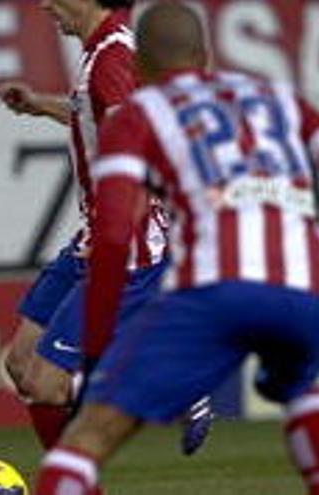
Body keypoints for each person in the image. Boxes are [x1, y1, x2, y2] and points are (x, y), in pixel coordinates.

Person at [35, 2, 319, 493]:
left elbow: (114, 234)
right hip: (303, 287)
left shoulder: (141, 114)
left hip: (213, 291)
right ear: (206, 54)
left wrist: (101, 351)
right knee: (303, 395)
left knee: (85, 442)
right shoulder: (281, 99)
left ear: (139, 63)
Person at [0, 0, 211, 456]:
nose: (45, 4)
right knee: (21, 364)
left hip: (124, 245)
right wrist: (42, 106)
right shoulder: (105, 51)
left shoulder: (113, 57)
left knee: (46, 384)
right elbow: (100, 118)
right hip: (93, 236)